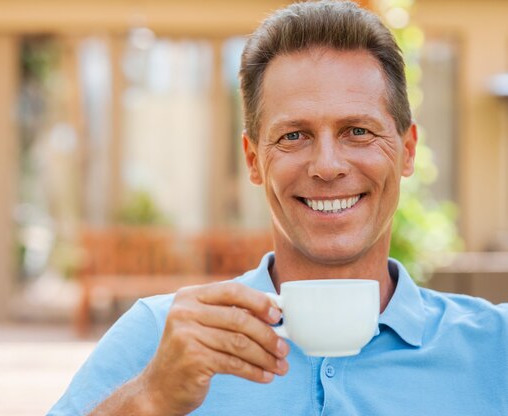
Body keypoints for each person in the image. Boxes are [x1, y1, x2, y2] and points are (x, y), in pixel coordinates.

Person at [49, 1, 508, 415]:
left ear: (407, 151)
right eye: (294, 136)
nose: (327, 166)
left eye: (358, 131)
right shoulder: (161, 339)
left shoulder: (495, 349)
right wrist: (147, 398)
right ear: (254, 160)